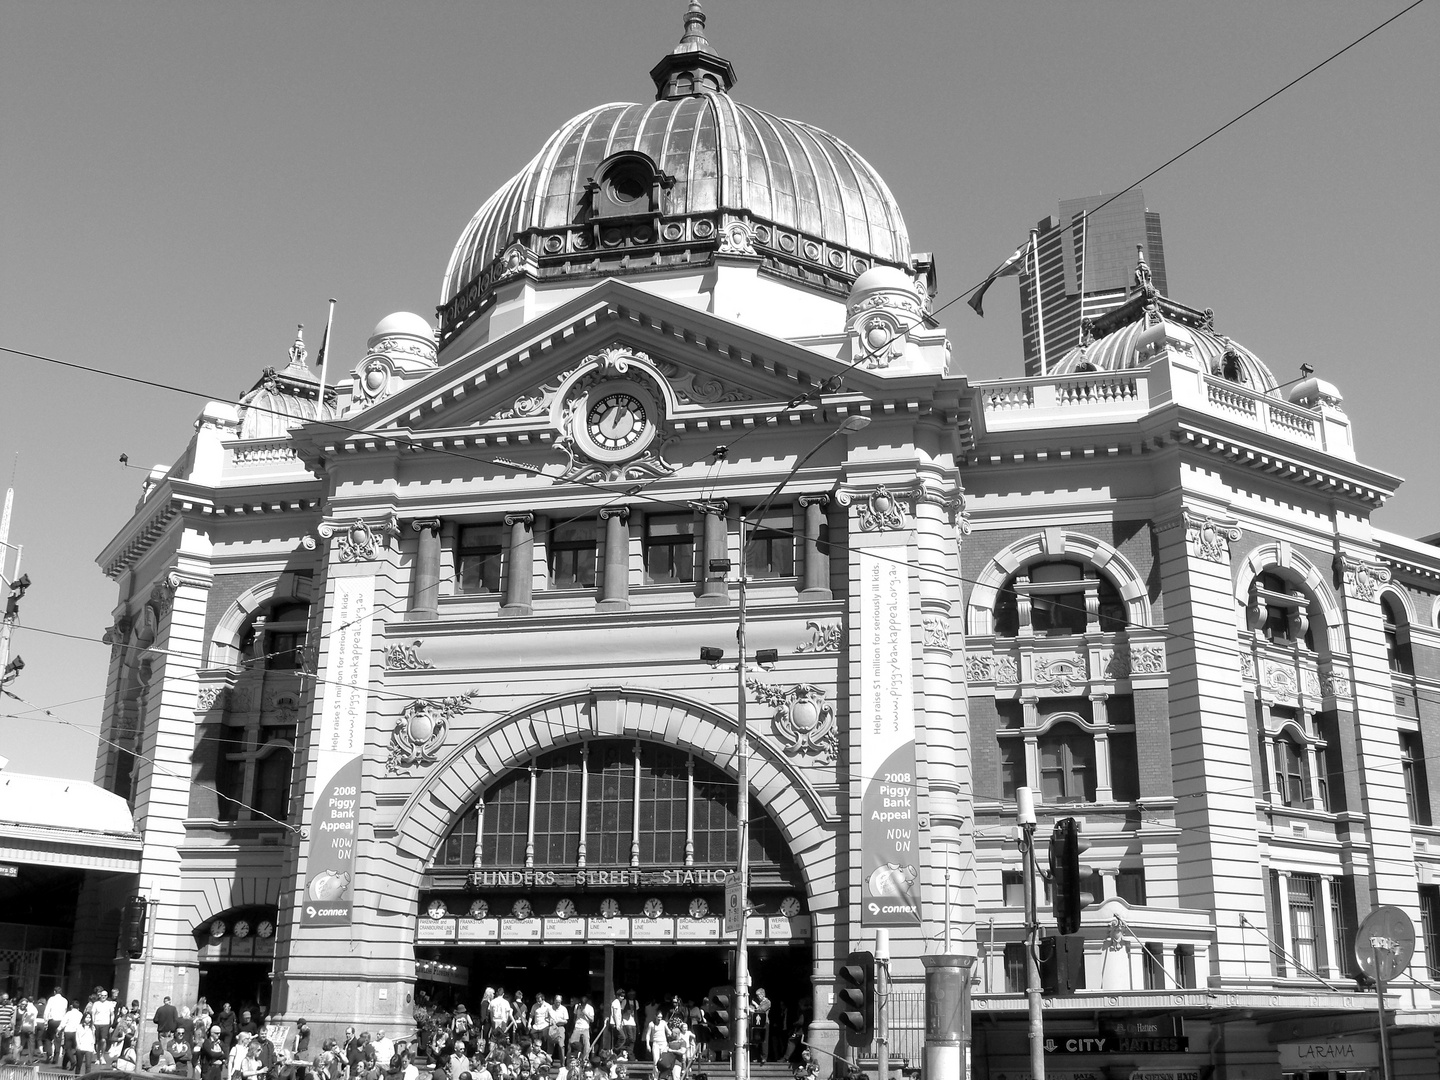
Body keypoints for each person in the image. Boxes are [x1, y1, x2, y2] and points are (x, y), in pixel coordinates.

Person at [749, 989, 771, 1063]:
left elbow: (761, 1010)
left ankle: (764, 1057)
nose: (757, 997)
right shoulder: (756, 1001)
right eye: (757, 996)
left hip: (764, 1022)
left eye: (758, 995)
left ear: (762, 994)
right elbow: (751, 1008)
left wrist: (755, 1005)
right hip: (756, 1023)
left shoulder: (767, 1002)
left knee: (764, 1040)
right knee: (755, 1040)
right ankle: (755, 1057)